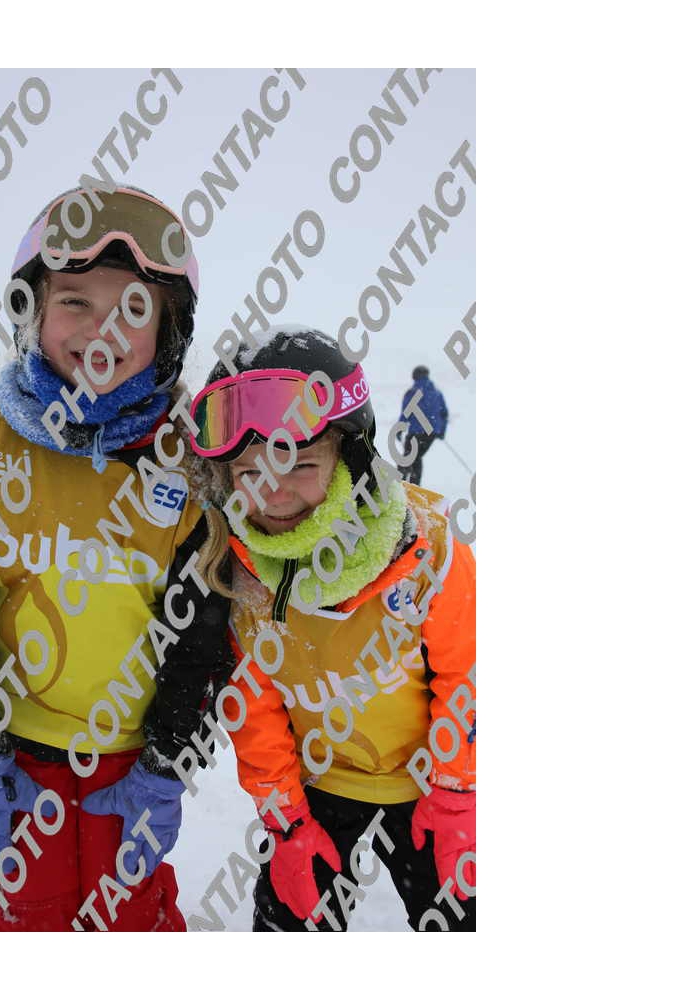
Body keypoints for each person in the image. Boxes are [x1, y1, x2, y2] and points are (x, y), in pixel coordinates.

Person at [0, 186, 232, 932]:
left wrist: (170, 759)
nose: (101, 329)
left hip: (131, 756)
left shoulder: (186, 462)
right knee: (34, 907)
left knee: (129, 908)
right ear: (32, 311)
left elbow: (203, 627)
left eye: (133, 309)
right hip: (18, 752)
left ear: (169, 330)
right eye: (75, 302)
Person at [179, 326, 476, 931]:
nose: (273, 490)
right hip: (317, 789)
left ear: (349, 457)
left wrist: (456, 795)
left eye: (301, 463)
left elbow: (467, 673)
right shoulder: (237, 571)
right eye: (248, 471)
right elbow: (254, 707)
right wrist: (286, 819)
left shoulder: (428, 549)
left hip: (429, 783)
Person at [398, 365, 448, 486]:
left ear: (415, 377)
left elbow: (406, 413)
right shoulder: (437, 393)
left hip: (416, 432)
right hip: (430, 434)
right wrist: (441, 431)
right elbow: (444, 414)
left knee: (407, 459)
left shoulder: (412, 393)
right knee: (416, 458)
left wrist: (399, 429)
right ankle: (414, 486)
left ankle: (399, 486)